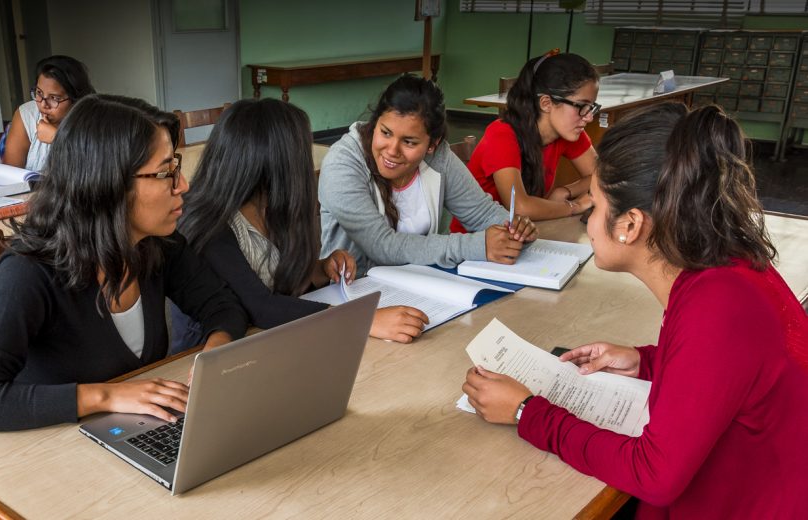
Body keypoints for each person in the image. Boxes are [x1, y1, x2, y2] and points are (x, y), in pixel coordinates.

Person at [462, 103, 808, 519]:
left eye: (595, 205)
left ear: (630, 225)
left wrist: (526, 412)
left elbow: (654, 474)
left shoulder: (714, 306)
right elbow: (737, 371)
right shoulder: (726, 266)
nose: (589, 222)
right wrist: (647, 360)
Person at [0, 95, 248, 433]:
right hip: (49, 451)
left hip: (134, 432)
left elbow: (221, 306)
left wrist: (212, 358)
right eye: (166, 172)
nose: (183, 185)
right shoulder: (29, 274)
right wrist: (104, 397)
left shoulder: (156, 245)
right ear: (109, 183)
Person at [173, 98, 429, 351]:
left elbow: (275, 279)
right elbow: (261, 306)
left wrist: (319, 269)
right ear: (276, 161)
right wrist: (362, 320)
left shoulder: (271, 207)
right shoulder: (211, 225)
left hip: (272, 341)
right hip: (205, 356)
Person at [319, 74, 537, 276]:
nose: (392, 150)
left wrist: (515, 230)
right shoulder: (344, 162)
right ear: (375, 123)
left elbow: (480, 213)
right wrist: (479, 245)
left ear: (432, 144)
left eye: (409, 142)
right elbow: (382, 246)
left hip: (421, 283)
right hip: (358, 294)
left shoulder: (438, 157)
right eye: (385, 132)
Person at [450, 51, 597, 233]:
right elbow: (519, 207)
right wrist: (573, 206)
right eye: (582, 106)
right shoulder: (502, 134)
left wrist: (565, 191)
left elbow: (603, 175)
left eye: (591, 107)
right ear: (546, 103)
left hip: (525, 235)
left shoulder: (568, 131)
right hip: (477, 242)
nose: (589, 117)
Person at [1, 55, 96, 172]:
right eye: (39, 93)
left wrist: (57, 138)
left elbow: (100, 168)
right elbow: (10, 173)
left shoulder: (94, 120)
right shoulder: (27, 114)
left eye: (54, 98)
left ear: (76, 99)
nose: (43, 104)